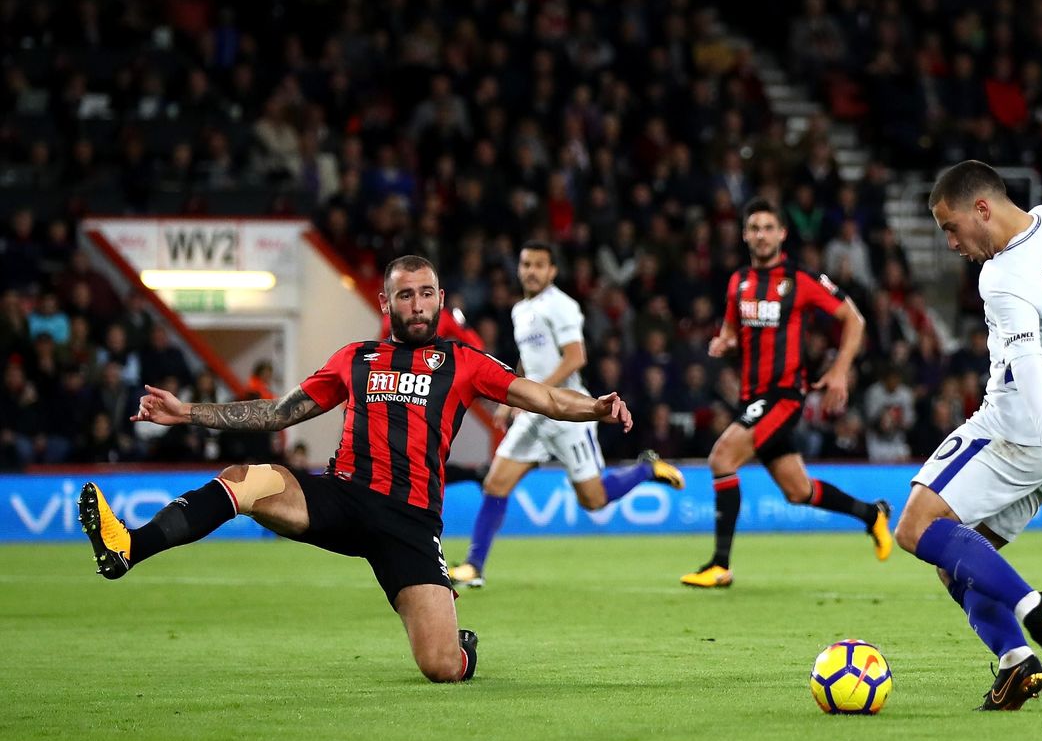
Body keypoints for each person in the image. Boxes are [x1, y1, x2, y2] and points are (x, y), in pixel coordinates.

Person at [78, 255, 634, 683]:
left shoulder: (463, 362)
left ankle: (459, 641)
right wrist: (188, 413)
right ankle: (129, 546)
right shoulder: (355, 358)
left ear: (440, 299)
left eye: (426, 294)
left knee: (441, 667)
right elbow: (278, 413)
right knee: (246, 479)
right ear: (386, 302)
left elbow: (544, 397)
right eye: (405, 295)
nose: (417, 305)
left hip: (409, 522)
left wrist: (596, 407)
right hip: (343, 497)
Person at [893, 163, 1042, 710]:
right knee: (959, 562)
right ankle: (1018, 664)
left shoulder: (1002, 276)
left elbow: (1028, 363)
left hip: (1019, 430)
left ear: (982, 209)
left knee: (915, 527)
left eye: (951, 228)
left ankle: (1037, 609)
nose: (951, 243)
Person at [448, 241, 684, 589]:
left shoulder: (562, 306)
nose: (531, 271)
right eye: (526, 264)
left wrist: (536, 395)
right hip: (534, 414)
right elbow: (528, 360)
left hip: (567, 415)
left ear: (552, 271)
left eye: (539, 265)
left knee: (593, 500)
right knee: (495, 483)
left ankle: (646, 469)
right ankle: (474, 565)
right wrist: (512, 397)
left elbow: (575, 358)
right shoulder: (520, 310)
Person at [681, 198, 891, 588]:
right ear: (745, 235)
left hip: (784, 395)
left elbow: (854, 319)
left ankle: (719, 565)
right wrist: (724, 342)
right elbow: (731, 330)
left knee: (722, 457)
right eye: (754, 228)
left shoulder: (801, 280)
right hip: (751, 396)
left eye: (768, 228)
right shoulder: (738, 281)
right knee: (798, 491)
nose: (761, 235)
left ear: (782, 234)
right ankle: (872, 514)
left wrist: (839, 371)